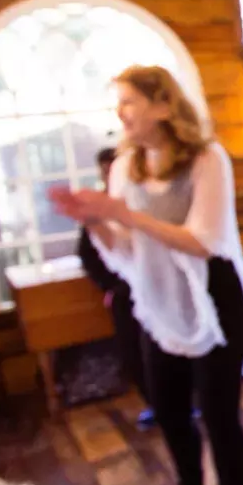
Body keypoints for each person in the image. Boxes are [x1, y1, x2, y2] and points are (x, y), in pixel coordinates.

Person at [50, 65, 243, 485]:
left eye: (129, 101)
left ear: (163, 105)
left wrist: (124, 214)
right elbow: (125, 249)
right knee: (168, 409)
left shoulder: (208, 158)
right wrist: (94, 220)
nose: (120, 112)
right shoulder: (127, 166)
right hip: (157, 300)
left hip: (214, 296)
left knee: (218, 414)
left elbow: (203, 240)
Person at [76, 147, 157, 430]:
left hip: (154, 286)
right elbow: (87, 254)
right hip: (123, 292)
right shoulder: (97, 207)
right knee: (133, 352)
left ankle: (183, 401)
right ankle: (153, 404)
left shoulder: (143, 198)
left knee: (163, 350)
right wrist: (110, 287)